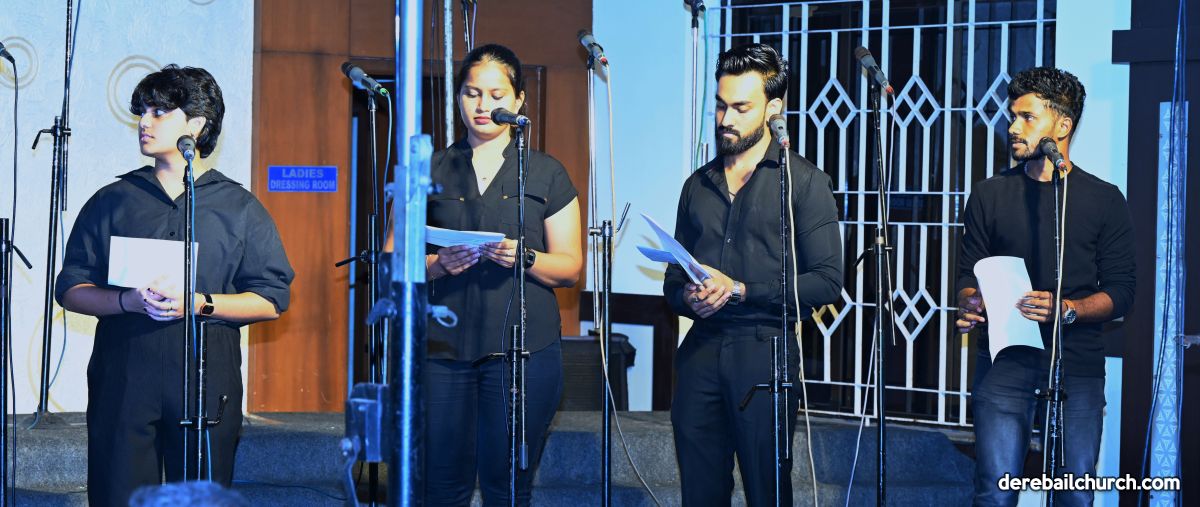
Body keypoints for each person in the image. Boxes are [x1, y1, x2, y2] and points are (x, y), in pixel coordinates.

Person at [55, 65, 294, 506]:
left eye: (159, 111)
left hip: (206, 377)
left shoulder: (239, 207)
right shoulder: (112, 201)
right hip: (124, 374)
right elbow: (71, 288)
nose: (144, 122)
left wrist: (199, 303)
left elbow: (271, 299)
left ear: (196, 125)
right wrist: (127, 300)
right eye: (142, 112)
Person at [663, 43, 843, 506]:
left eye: (741, 108)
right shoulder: (697, 185)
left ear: (773, 109)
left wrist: (741, 290)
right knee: (700, 493)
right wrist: (689, 297)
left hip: (766, 352)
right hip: (700, 351)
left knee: (767, 492)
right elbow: (671, 283)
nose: (726, 119)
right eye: (721, 105)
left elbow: (827, 281)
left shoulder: (803, 182)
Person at [955, 67, 1135, 506]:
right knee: (995, 493)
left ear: (1063, 125)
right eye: (1012, 116)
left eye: (1027, 117)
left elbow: (1121, 293)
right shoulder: (989, 195)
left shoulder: (1104, 199)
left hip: (1077, 366)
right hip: (1003, 364)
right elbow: (966, 276)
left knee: (1074, 495)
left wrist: (1066, 309)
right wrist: (971, 302)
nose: (1013, 127)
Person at [423, 43, 582, 505]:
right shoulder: (431, 169)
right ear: (457, 97)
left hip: (523, 352)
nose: (482, 105)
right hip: (443, 349)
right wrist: (437, 264)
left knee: (508, 486)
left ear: (518, 101)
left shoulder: (546, 172)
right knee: (441, 486)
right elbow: (393, 258)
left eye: (496, 95)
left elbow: (570, 266)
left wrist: (525, 257)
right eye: (471, 93)